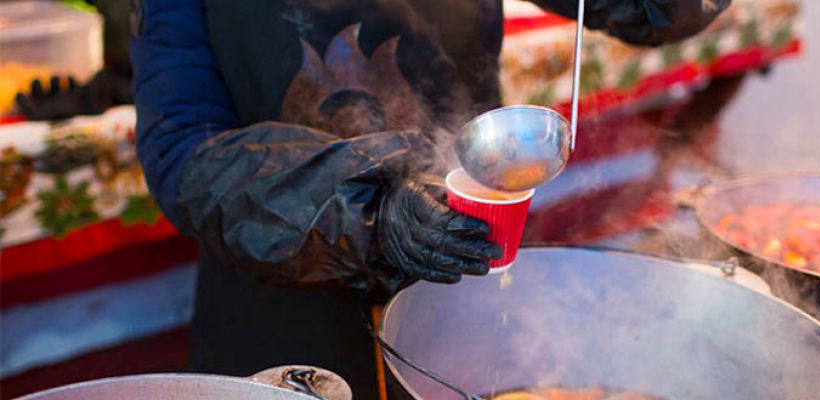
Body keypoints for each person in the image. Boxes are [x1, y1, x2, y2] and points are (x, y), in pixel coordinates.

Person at [130, 0, 728, 397]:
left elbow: (651, 12)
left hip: (465, 283)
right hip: (279, 289)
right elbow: (182, 150)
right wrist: (364, 207)